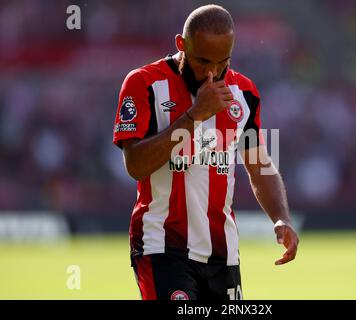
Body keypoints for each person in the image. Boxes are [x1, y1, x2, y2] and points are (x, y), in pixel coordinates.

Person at [112, 4, 299, 300]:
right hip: (162, 247)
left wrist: (281, 217)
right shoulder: (143, 83)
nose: (211, 73)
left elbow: (260, 165)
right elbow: (135, 164)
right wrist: (194, 115)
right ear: (181, 44)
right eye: (202, 62)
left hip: (222, 254)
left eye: (221, 62)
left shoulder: (245, 93)